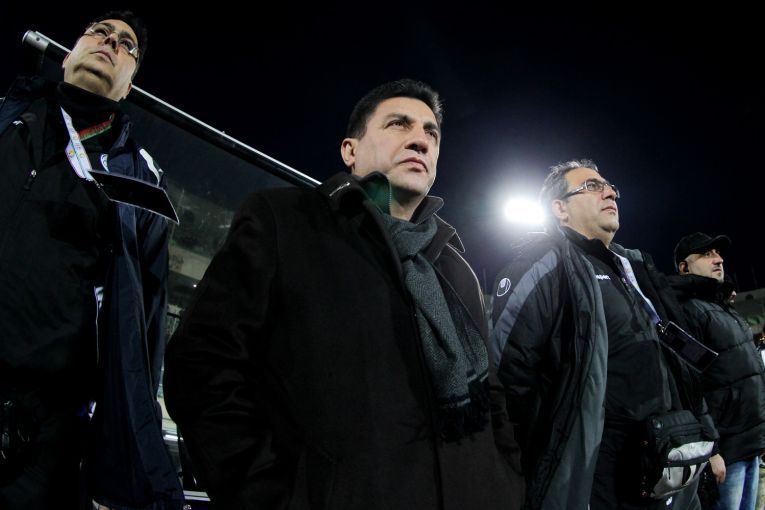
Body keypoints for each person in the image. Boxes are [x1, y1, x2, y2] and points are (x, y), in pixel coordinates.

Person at [163, 79, 516, 509]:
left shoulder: (457, 270)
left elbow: (491, 396)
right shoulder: (285, 222)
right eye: (399, 124)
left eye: (431, 133)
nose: (420, 140)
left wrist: (507, 486)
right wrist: (269, 496)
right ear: (350, 150)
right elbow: (202, 363)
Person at [0, 11, 182, 509]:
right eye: (99, 32)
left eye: (126, 44)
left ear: (129, 86)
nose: (110, 41)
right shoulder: (6, 119)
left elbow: (144, 322)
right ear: (67, 56)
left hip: (40, 432)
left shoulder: (143, 179)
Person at [490, 159, 716, 509]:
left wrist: (706, 434)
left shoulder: (636, 268)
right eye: (592, 187)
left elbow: (678, 363)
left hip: (665, 465)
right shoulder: (542, 265)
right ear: (560, 209)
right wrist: (522, 471)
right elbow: (508, 381)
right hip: (598, 480)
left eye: (610, 187)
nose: (609, 193)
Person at [669, 233, 765, 510]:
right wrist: (711, 449)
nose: (718, 259)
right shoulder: (686, 311)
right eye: (706, 254)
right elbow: (689, 384)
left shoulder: (723, 308)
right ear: (684, 267)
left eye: (718, 253)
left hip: (750, 443)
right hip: (725, 451)